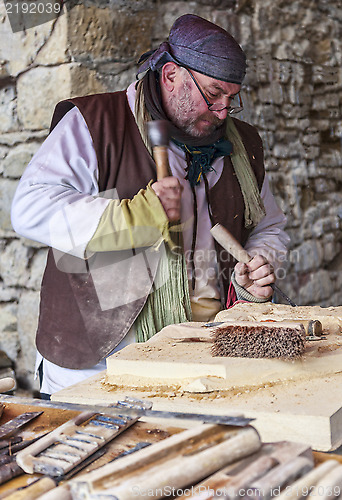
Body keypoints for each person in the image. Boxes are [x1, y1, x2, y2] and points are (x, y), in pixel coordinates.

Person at [11, 14, 289, 397]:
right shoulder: (96, 123)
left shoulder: (244, 145)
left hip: (204, 356)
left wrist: (255, 270)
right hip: (98, 365)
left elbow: (268, 227)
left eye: (232, 97)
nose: (224, 110)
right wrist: (130, 217)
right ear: (171, 74)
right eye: (213, 94)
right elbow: (30, 207)